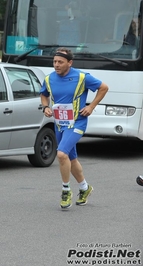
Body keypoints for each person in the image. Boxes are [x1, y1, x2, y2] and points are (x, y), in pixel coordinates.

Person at [40, 47, 109, 210]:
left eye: (60, 62)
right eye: (54, 62)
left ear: (69, 63)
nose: (56, 65)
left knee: (61, 154)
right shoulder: (49, 78)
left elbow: (104, 87)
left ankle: (66, 191)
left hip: (77, 122)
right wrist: (45, 107)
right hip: (60, 124)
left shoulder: (82, 77)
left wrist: (91, 106)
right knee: (71, 158)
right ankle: (85, 188)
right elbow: (44, 94)